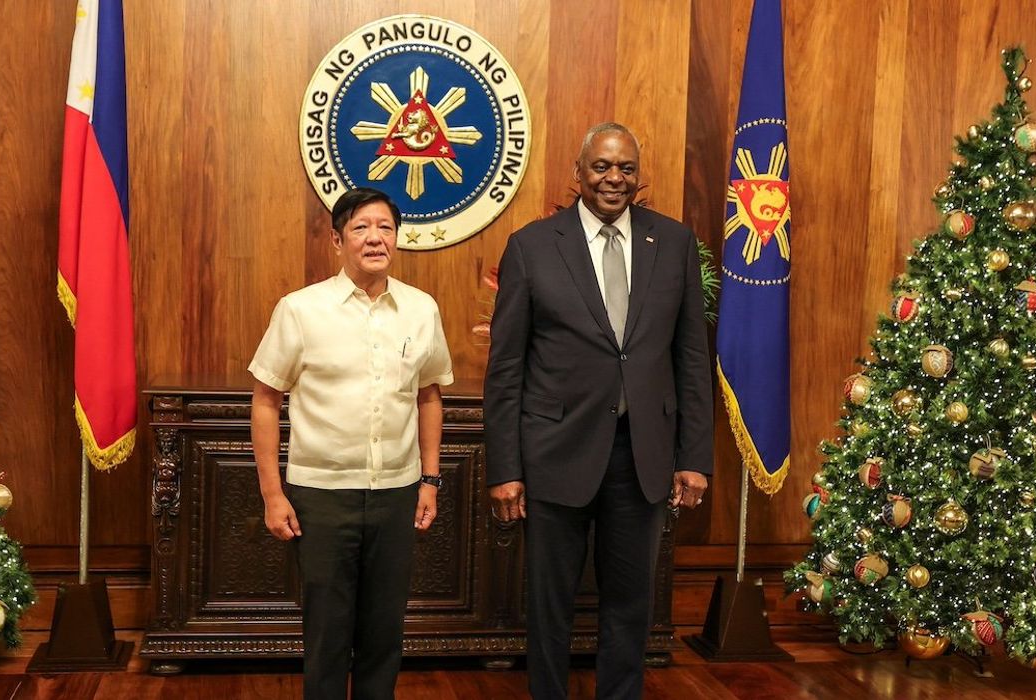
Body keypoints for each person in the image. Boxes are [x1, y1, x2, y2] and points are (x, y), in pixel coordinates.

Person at [484, 123, 713, 699]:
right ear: (578, 172)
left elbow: (691, 360)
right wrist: (505, 469)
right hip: (554, 454)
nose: (615, 178)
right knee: (550, 605)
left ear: (640, 177)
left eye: (626, 168)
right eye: (603, 167)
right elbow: (506, 368)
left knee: (630, 607)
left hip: (642, 456)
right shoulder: (532, 246)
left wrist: (695, 458)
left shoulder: (675, 244)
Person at [249, 187, 454, 700]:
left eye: (385, 227)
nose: (375, 238)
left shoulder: (421, 309)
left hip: (397, 492)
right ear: (337, 240)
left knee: (385, 631)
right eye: (362, 228)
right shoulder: (300, 310)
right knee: (327, 633)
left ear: (397, 239)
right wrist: (273, 496)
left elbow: (428, 397)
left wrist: (429, 479)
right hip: (321, 497)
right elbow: (265, 400)